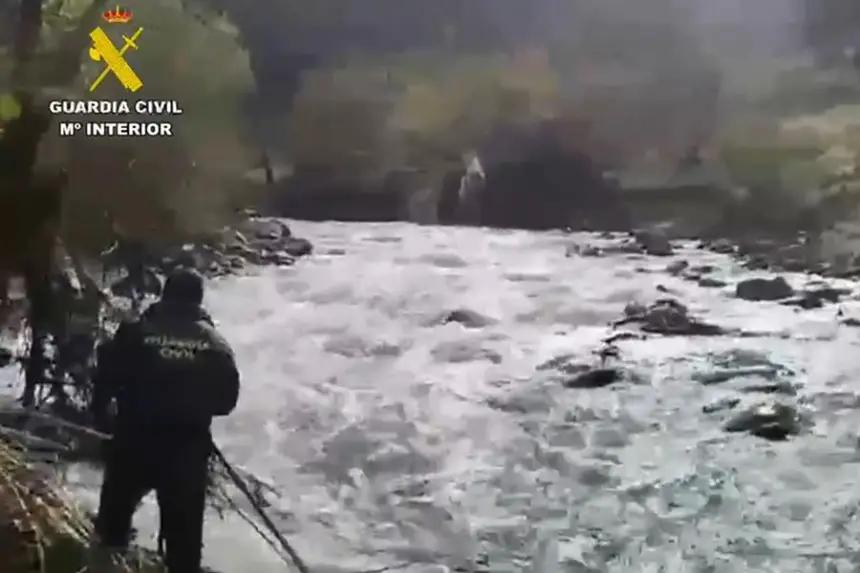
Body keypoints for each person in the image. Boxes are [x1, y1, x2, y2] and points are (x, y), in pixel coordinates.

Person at [90, 267, 240, 572]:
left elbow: (104, 378)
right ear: (199, 300)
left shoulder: (134, 332)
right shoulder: (217, 345)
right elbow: (226, 403)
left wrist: (103, 420)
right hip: (186, 451)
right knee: (184, 550)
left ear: (164, 295)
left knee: (111, 532)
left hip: (133, 441)